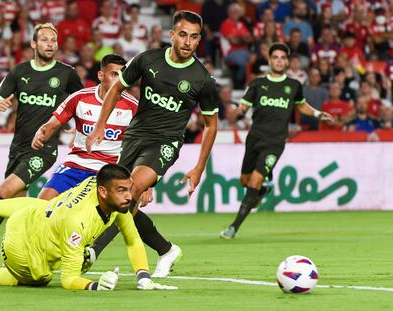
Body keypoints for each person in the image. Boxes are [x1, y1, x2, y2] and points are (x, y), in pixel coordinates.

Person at [86, 10, 219, 277]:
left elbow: (211, 125)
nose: (187, 42)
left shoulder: (202, 79)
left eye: (193, 37)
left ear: (198, 40)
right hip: (135, 136)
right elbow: (117, 89)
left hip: (165, 143)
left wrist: (198, 168)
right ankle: (166, 249)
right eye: (182, 34)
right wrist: (100, 124)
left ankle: (92, 252)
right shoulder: (147, 59)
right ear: (172, 35)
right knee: (117, 198)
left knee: (130, 189)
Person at [0, 164, 177, 291]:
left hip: (26, 216)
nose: (128, 196)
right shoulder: (78, 222)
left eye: (129, 189)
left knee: (40, 206)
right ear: (103, 192)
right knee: (41, 277)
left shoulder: (103, 188)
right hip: (19, 250)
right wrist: (94, 286)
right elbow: (69, 279)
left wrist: (143, 277)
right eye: (122, 190)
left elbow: (133, 240)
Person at [0, 23, 84, 250]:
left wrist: (79, 127)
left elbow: (84, 104)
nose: (50, 44)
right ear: (34, 44)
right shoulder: (19, 72)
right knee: (18, 206)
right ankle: (27, 252)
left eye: (53, 41)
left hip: (43, 149)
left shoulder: (66, 74)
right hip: (18, 147)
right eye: (45, 40)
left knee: (4, 191)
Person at [219, 43, 334, 239]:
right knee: (245, 181)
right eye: (276, 57)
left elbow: (301, 106)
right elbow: (244, 107)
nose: (280, 60)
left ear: (287, 62)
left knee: (254, 179)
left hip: (275, 142)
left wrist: (317, 113)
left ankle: (233, 227)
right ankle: (263, 190)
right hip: (254, 138)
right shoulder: (257, 84)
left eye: (283, 57)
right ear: (270, 60)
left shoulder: (293, 85)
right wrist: (236, 111)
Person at [32, 54, 140, 201]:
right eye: (114, 74)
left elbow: (143, 143)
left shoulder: (133, 106)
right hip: (76, 164)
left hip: (109, 171)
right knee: (41, 205)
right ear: (101, 75)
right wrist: (40, 134)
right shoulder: (79, 98)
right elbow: (51, 125)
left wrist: (147, 185)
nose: (118, 80)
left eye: (122, 75)